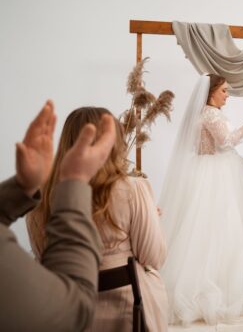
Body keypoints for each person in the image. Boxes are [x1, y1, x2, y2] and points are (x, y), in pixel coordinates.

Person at [159, 74, 243, 325]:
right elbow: (225, 141)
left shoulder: (204, 113)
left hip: (204, 170)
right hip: (218, 172)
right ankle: (226, 290)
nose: (227, 95)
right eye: (223, 91)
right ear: (211, 93)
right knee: (226, 230)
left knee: (203, 232)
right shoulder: (211, 114)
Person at [26, 107, 169, 332]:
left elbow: (42, 256)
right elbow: (154, 257)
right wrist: (150, 218)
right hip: (126, 311)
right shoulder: (132, 189)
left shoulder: (40, 197)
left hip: (65, 312)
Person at [0, 100, 116, 331]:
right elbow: (75, 310)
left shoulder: (42, 192)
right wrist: (74, 180)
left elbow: (41, 251)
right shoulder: (133, 190)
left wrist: (21, 189)